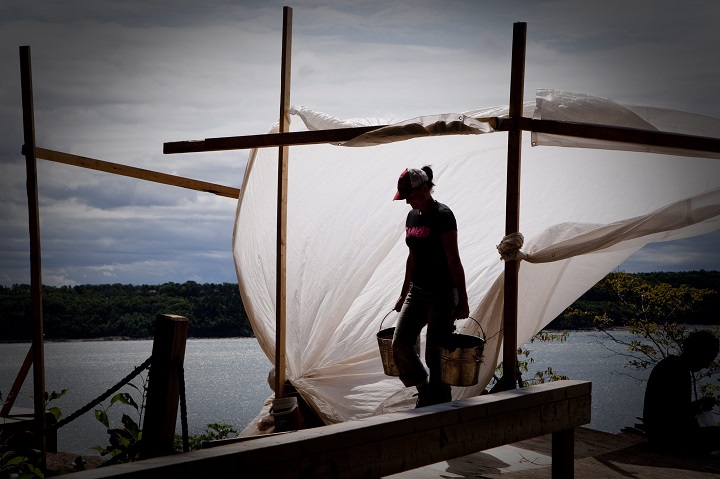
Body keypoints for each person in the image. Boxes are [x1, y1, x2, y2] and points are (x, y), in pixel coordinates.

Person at [391, 166, 469, 408]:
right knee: (400, 343)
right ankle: (424, 389)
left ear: (424, 189)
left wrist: (463, 299)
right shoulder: (412, 216)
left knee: (435, 354)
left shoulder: (443, 215)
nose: (406, 203)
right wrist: (403, 294)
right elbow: (412, 258)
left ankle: (439, 403)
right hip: (418, 290)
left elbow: (454, 259)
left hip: (442, 293)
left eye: (409, 197)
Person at [643, 329, 720, 456]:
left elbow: (674, 410)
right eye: (707, 359)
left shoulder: (671, 365)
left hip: (659, 435)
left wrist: (700, 405)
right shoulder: (677, 371)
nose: (707, 366)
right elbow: (677, 416)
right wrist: (699, 406)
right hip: (666, 439)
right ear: (698, 352)